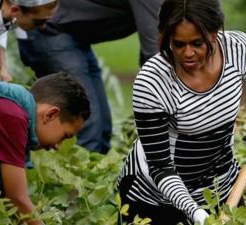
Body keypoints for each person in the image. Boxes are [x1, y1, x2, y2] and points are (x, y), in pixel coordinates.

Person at [117, 0, 246, 224]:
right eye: (178, 44)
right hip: (154, 198)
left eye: (197, 43)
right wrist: (197, 215)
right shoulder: (152, 81)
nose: (188, 53)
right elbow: (160, 167)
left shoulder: (235, 47)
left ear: (213, 33)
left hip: (221, 186)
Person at [16, 0, 163, 154]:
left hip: (75, 33)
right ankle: (65, 175)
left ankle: (90, 173)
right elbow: (154, 53)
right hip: (47, 27)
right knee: (88, 129)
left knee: (102, 129)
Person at [0, 72, 90, 225]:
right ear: (50, 115)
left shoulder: (17, 111)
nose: (58, 147)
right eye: (65, 136)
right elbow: (17, 198)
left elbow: (6, 198)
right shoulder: (12, 115)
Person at [0, 0, 58, 82]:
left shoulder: (10, 13)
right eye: (39, 22)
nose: (43, 27)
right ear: (15, 10)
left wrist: (2, 70)